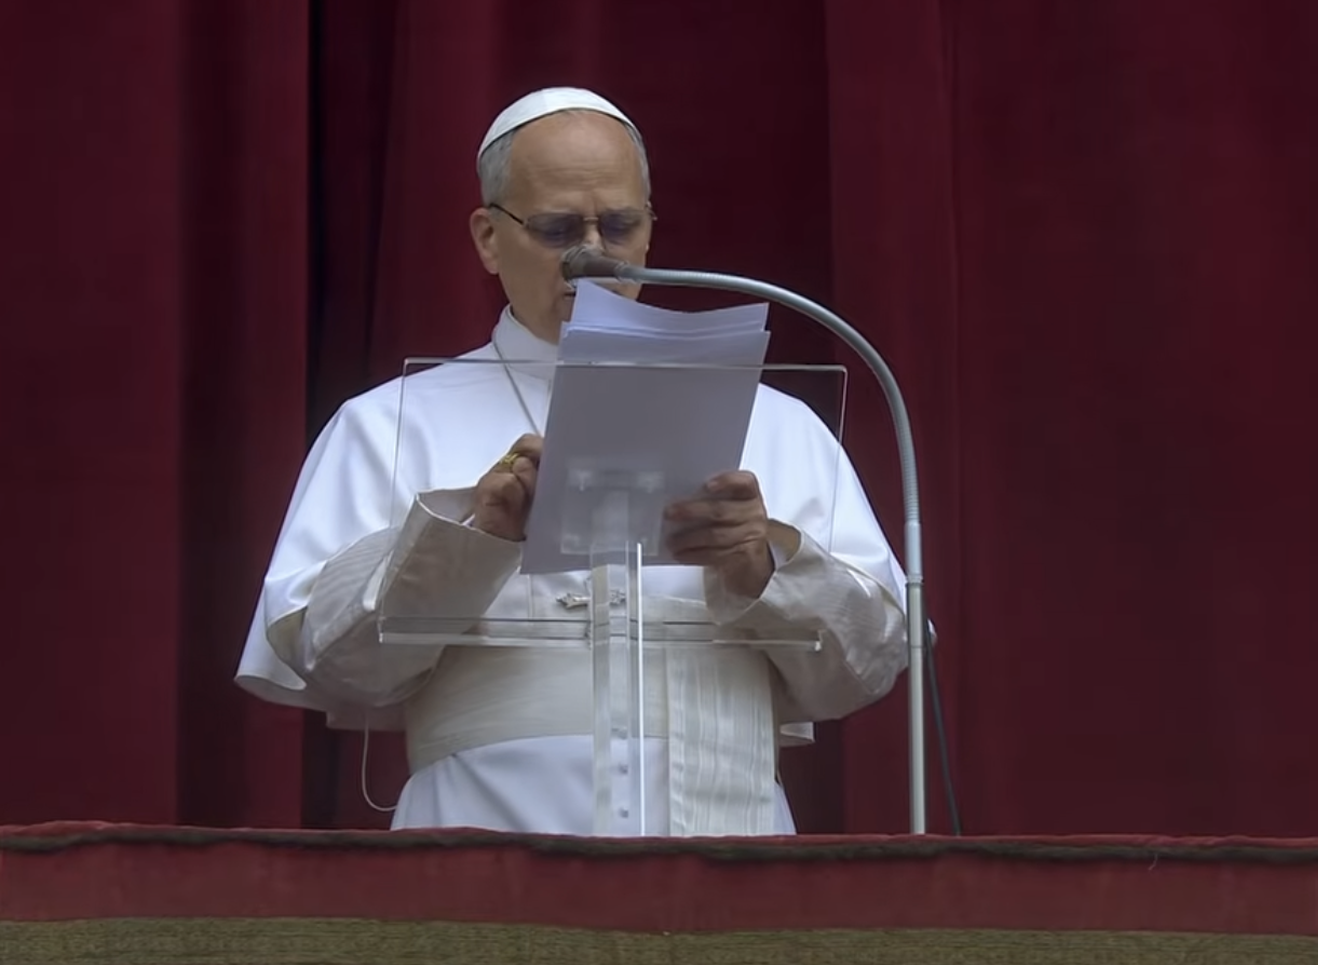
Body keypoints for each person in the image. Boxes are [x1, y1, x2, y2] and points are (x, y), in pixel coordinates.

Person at [236, 86, 908, 836]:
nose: (594, 253)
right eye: (559, 229)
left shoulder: (779, 426)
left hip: (728, 851)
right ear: (489, 238)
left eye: (619, 224)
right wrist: (469, 536)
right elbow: (330, 659)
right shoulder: (389, 422)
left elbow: (868, 666)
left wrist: (765, 567)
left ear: (651, 229)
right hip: (481, 846)